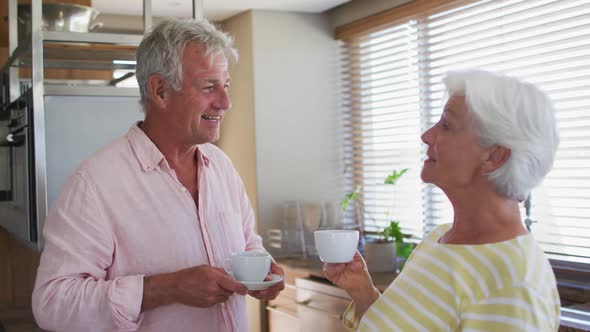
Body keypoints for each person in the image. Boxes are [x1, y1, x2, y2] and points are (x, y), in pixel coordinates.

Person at [32, 18, 284, 332]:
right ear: (161, 91)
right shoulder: (94, 184)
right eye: (209, 86)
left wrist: (261, 268)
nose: (225, 102)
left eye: (226, 85)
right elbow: (52, 303)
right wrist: (166, 289)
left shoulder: (221, 167)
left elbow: (247, 243)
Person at [324, 70, 561, 331]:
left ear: (494, 156)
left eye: (446, 125)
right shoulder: (439, 239)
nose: (427, 135)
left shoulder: (513, 284)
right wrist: (363, 294)